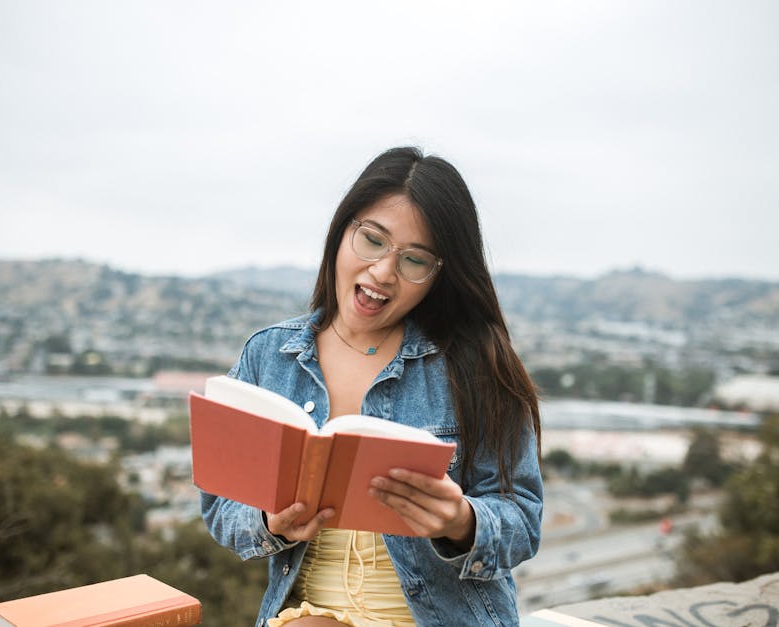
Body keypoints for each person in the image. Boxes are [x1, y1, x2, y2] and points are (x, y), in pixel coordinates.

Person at [201, 146, 543, 626]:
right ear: (343, 230)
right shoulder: (266, 356)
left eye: (415, 260)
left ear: (438, 275)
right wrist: (269, 524)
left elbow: (524, 521)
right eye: (373, 240)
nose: (383, 272)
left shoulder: (475, 367)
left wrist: (461, 522)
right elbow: (219, 507)